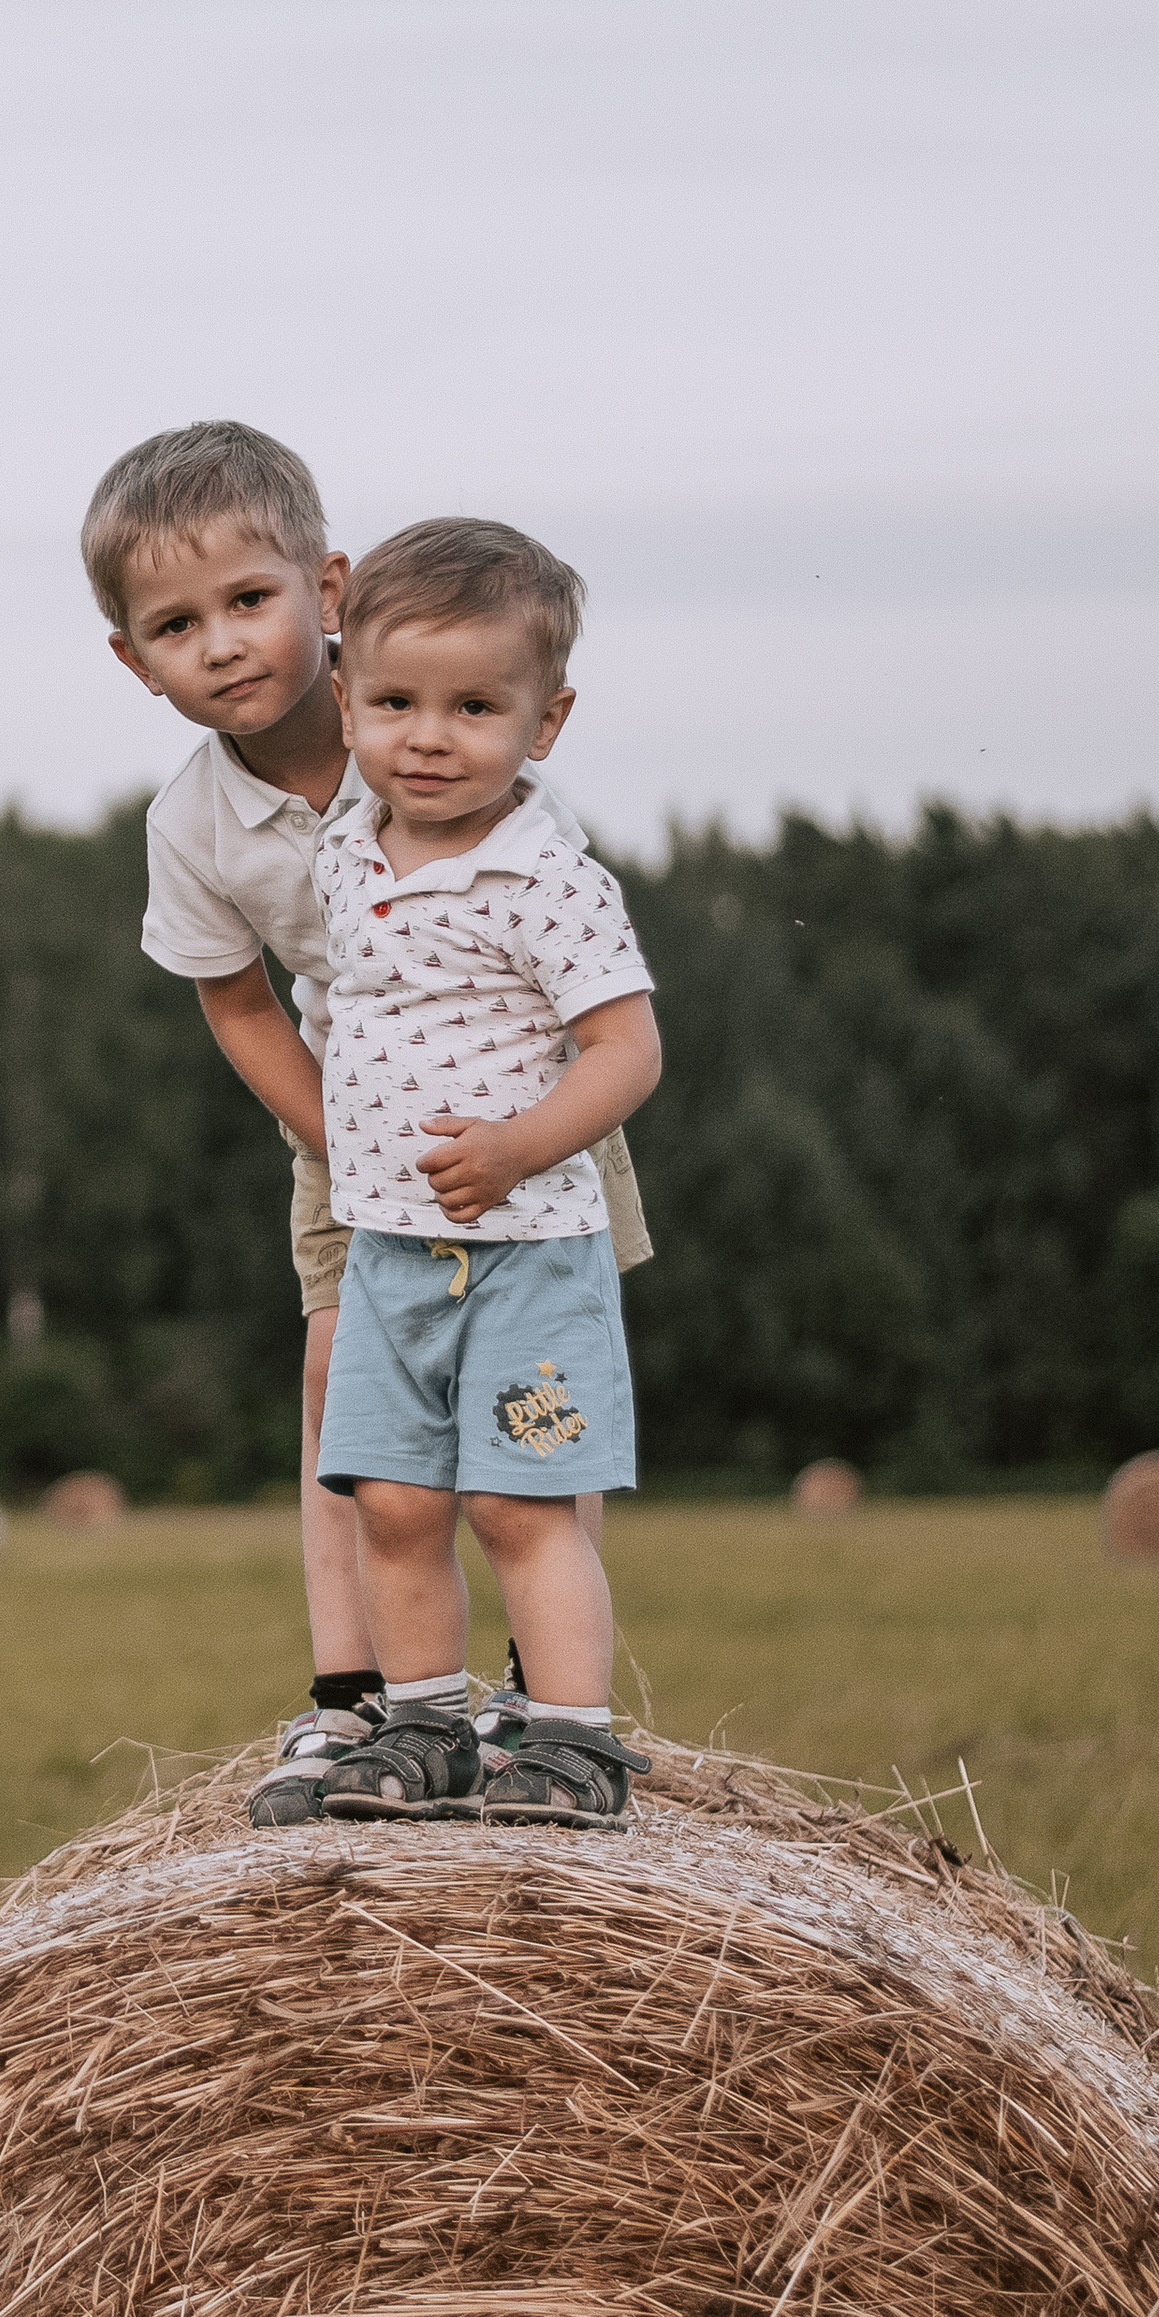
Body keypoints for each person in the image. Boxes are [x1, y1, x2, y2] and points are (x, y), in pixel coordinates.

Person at [84, 422, 650, 1824]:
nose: (221, 643)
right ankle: (359, 1703)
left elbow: (580, 969)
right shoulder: (195, 826)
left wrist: (528, 1132)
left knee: (535, 1415)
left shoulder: (425, 705)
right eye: (175, 623)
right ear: (132, 659)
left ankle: (548, 1699)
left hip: (530, 1116)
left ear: (324, 589)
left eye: (249, 600)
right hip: (345, 1128)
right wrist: (336, 1143)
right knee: (345, 1392)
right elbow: (238, 1005)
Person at [304, 516, 662, 1826]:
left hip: (530, 1256)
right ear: (343, 699)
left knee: (519, 1508)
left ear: (545, 720)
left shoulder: (550, 878)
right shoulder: (348, 850)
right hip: (391, 1253)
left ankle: (573, 1743)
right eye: (393, 700)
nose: (428, 734)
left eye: (474, 705)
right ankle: (426, 1729)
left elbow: (628, 1051)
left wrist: (520, 1145)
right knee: (393, 1505)